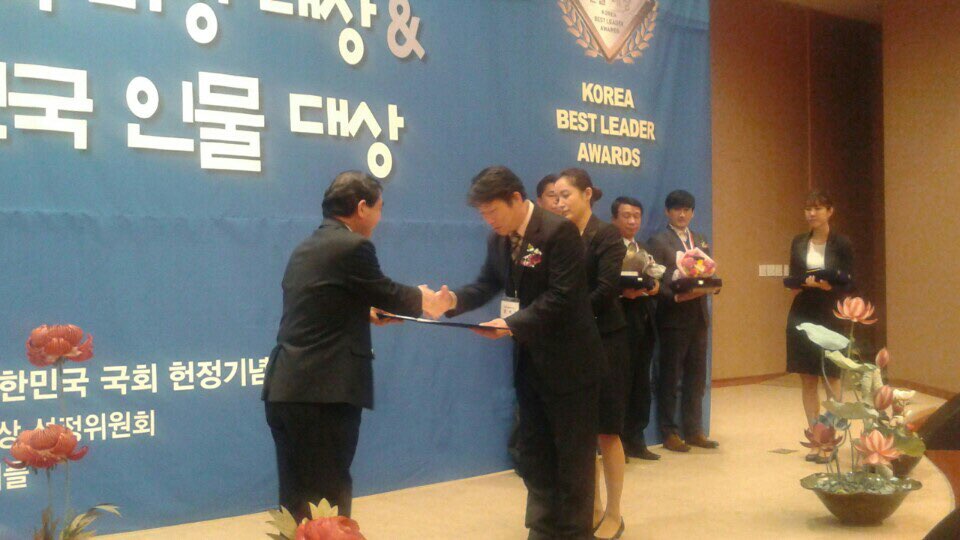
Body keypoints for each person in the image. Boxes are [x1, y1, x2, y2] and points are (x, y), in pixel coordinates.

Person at [261, 170, 452, 521]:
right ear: (362, 208)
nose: (380, 218)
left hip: (286, 389)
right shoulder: (353, 246)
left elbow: (320, 303)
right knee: (328, 500)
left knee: (296, 503)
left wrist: (364, 312)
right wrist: (426, 299)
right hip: (323, 395)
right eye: (379, 208)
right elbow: (387, 291)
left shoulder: (306, 248)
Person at [444, 165, 602, 540]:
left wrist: (511, 324)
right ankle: (543, 527)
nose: (489, 220)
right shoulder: (499, 239)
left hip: (571, 365)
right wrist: (451, 302)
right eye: (483, 214)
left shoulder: (558, 231)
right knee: (536, 451)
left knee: (573, 457)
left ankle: (575, 532)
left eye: (493, 211)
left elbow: (563, 297)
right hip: (530, 363)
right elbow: (486, 284)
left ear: (516, 199)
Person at [554, 168, 627, 540]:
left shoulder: (606, 234)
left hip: (606, 340)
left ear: (587, 194)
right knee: (582, 433)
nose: (560, 202)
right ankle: (593, 507)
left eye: (566, 195)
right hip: (571, 344)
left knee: (607, 431)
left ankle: (614, 512)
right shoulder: (560, 236)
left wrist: (567, 313)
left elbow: (606, 289)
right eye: (555, 197)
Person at [785, 190, 853, 463]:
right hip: (803, 310)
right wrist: (802, 282)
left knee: (831, 377)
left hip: (831, 311)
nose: (811, 214)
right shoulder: (799, 241)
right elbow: (793, 276)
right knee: (808, 377)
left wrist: (829, 286)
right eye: (807, 209)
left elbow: (850, 281)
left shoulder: (842, 243)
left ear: (830, 211)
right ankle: (816, 439)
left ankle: (829, 439)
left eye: (817, 208)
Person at [648, 189, 719, 452]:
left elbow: (707, 272)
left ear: (692, 213)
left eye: (687, 209)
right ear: (668, 212)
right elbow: (657, 277)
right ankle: (669, 432)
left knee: (696, 377)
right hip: (673, 317)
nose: (682, 214)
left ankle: (694, 430)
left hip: (699, 317)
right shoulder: (658, 241)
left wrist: (712, 286)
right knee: (670, 377)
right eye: (677, 209)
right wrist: (676, 296)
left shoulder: (699, 239)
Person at [610, 196, 662, 461]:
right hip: (618, 321)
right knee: (620, 382)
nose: (632, 221)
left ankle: (636, 439)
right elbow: (600, 285)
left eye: (636, 216)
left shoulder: (643, 249)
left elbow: (655, 280)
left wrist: (654, 286)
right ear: (614, 219)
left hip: (643, 319)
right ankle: (616, 444)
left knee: (641, 382)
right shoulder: (608, 248)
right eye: (626, 216)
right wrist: (622, 292)